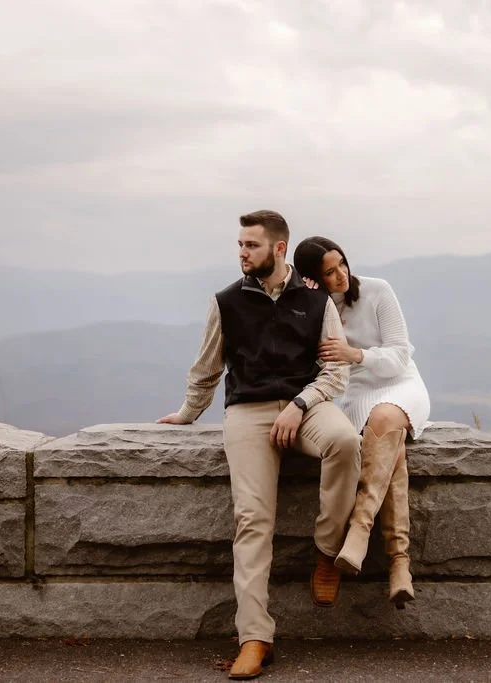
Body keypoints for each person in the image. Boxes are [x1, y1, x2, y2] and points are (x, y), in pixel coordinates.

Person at [157, 211, 361, 681]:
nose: (242, 253)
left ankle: (327, 551)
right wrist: (188, 413)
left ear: (280, 248)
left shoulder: (315, 302)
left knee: (347, 441)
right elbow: (207, 367)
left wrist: (300, 402)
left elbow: (335, 372)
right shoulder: (226, 301)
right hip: (247, 413)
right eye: (240, 244)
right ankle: (254, 637)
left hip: (307, 407)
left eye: (251, 245)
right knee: (253, 519)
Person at [292, 236, 431, 609]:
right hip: (357, 398)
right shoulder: (315, 306)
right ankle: (400, 563)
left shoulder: (377, 291)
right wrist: (310, 304)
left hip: (400, 384)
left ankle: (359, 530)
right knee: (389, 445)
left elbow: (400, 356)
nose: (341, 275)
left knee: (385, 419)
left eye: (342, 265)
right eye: (329, 273)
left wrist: (355, 354)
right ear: (313, 279)